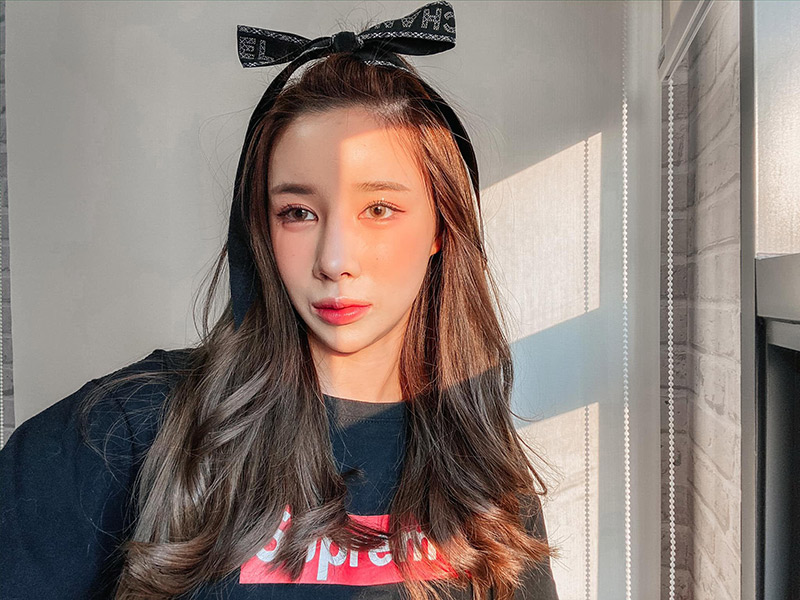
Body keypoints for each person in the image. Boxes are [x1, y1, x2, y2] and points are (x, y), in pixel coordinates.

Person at [0, 3, 559, 599]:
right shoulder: (130, 429)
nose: (334, 260)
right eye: (298, 212)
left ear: (441, 228)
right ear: (262, 229)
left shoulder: (481, 469)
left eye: (379, 209)